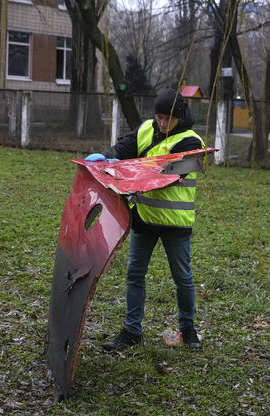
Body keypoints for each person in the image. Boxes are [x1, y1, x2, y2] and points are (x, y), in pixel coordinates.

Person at [85, 88, 205, 350]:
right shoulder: (146, 130)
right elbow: (125, 146)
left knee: (182, 278)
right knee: (135, 275)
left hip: (176, 223)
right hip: (144, 219)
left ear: (180, 115)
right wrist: (107, 156)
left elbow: (169, 174)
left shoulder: (192, 142)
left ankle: (188, 330)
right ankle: (132, 331)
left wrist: (130, 168)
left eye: (167, 118)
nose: (161, 123)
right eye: (158, 117)